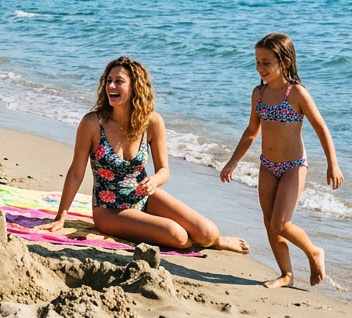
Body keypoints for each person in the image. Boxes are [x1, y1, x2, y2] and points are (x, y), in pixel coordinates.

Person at [39, 56, 249, 253]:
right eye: (109, 80)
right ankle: (158, 228)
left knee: (208, 233)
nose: (111, 86)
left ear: (134, 87)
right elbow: (76, 172)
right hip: (109, 210)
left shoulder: (152, 122)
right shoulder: (93, 123)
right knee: (179, 237)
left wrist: (155, 181)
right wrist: (61, 217)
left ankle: (217, 242)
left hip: (144, 196)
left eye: (119, 81)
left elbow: (164, 170)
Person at [220, 33, 343, 288]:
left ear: (284, 62)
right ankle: (286, 274)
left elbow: (321, 128)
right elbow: (251, 132)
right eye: (257, 62)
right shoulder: (259, 94)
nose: (260, 67)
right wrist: (233, 162)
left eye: (266, 62)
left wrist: (333, 164)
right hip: (268, 164)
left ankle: (314, 251)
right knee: (269, 222)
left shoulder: (296, 93)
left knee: (281, 222)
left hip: (294, 166)